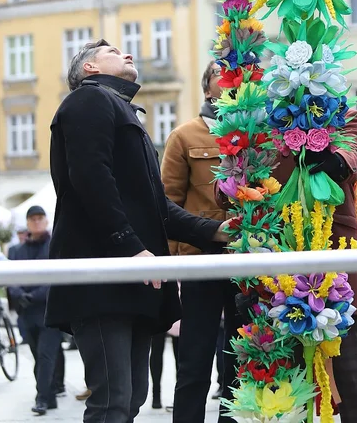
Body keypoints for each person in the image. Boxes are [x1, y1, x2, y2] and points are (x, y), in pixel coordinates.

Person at [45, 40, 231, 423]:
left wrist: (216, 232)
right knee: (112, 401)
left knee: (129, 400)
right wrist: (130, 246)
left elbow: (156, 206)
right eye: (112, 51)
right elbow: (90, 177)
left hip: (133, 278)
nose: (127, 54)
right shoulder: (88, 100)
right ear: (90, 69)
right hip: (104, 276)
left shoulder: (123, 111)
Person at [273, 109, 357, 423]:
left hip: (336, 268)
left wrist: (338, 160)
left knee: (352, 382)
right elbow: (235, 182)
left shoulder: (346, 116)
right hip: (278, 266)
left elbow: (354, 150)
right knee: (283, 386)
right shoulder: (266, 121)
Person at [162, 60, 240, 423]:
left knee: (242, 356)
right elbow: (167, 203)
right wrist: (178, 264)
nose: (229, 82)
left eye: (235, 76)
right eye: (219, 77)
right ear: (208, 88)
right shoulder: (184, 136)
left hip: (248, 258)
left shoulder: (256, 134)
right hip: (200, 258)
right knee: (194, 358)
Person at [8, 206, 63, 416]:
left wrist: (34, 295)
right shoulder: (16, 251)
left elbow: (56, 279)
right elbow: (10, 276)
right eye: (33, 219)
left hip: (50, 311)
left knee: (45, 355)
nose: (37, 222)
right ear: (28, 223)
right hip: (27, 313)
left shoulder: (55, 245)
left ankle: (41, 398)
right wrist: (18, 293)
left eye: (40, 218)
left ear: (46, 221)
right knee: (38, 357)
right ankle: (48, 397)